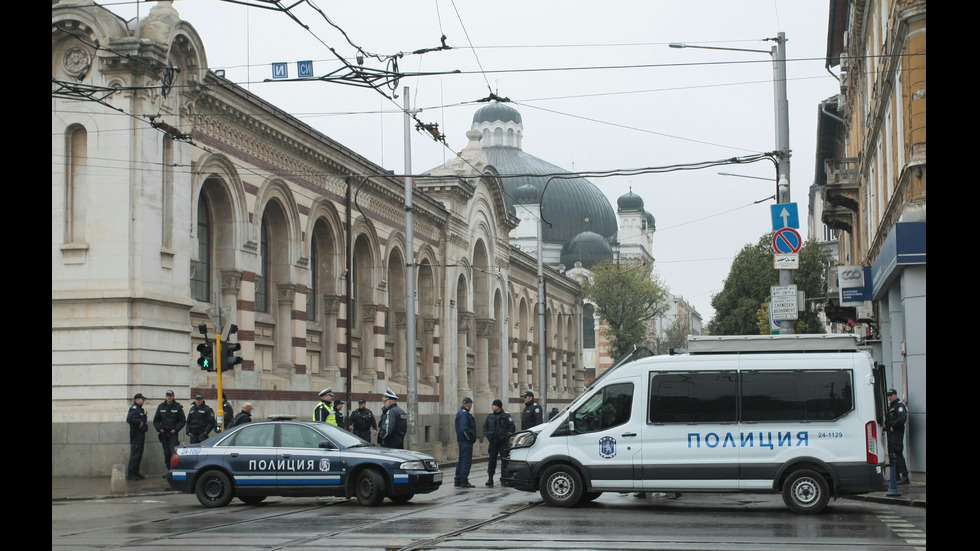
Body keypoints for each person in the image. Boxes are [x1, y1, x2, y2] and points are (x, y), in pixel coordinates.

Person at [482, 398, 515, 487]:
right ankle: (490, 478)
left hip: (503, 442)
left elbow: (512, 428)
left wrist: (506, 436)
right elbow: (485, 427)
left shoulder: (506, 416)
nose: (492, 407)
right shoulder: (490, 416)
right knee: (492, 460)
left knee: (504, 460)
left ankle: (504, 478)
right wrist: (488, 435)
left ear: (498, 406)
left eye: (494, 405)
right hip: (493, 442)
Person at [152, 390, 185, 472]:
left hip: (172, 433)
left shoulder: (178, 407)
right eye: (167, 396)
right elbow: (156, 420)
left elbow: (182, 420)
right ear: (165, 397)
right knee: (166, 452)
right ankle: (168, 469)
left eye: (170, 396)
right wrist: (159, 428)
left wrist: (176, 429)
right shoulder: (161, 406)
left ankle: (173, 469)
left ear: (173, 396)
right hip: (164, 433)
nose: (169, 397)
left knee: (172, 451)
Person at [884, 388, 910, 484]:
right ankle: (896, 477)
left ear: (896, 395)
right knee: (892, 453)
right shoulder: (891, 407)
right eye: (888, 396)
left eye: (891, 395)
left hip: (896, 433)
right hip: (891, 434)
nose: (889, 397)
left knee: (897, 453)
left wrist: (893, 427)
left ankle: (905, 476)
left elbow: (902, 418)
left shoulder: (899, 406)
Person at [125, 392, 148, 480]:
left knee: (139, 454)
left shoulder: (140, 409)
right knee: (135, 454)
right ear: (137, 400)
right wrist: (140, 423)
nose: (143, 401)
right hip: (136, 434)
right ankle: (131, 473)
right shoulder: (134, 409)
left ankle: (136, 472)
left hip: (140, 434)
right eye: (142, 399)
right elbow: (129, 419)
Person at [454, 397, 476, 488]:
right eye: (471, 404)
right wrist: (469, 438)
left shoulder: (462, 413)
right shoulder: (464, 414)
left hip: (463, 441)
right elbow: (464, 429)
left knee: (461, 460)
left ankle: (458, 480)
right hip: (465, 441)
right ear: (469, 404)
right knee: (466, 461)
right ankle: (464, 480)